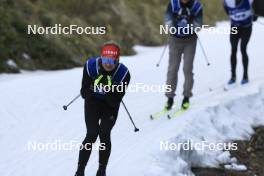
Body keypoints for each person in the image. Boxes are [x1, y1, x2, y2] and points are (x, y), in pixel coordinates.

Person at [74, 42, 130, 176]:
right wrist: (92, 87)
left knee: (104, 134)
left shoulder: (123, 74)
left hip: (109, 106)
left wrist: (108, 89)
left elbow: (114, 100)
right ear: (101, 57)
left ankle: (101, 170)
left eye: (112, 60)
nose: (108, 64)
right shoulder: (90, 67)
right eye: (105, 59)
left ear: (117, 60)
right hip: (93, 102)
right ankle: (80, 171)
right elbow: (83, 93)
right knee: (92, 134)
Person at [164, 0, 203, 110]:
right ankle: (169, 98)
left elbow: (198, 25)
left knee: (187, 69)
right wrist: (174, 25)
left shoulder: (197, 6)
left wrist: (191, 24)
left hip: (190, 41)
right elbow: (167, 21)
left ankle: (186, 97)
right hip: (175, 40)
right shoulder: (172, 4)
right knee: (172, 69)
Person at [224, 0, 258, 85]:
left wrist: (254, 15)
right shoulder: (227, 2)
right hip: (235, 28)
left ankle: (245, 76)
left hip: (246, 28)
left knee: (243, 49)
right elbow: (228, 11)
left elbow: (256, 9)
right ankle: (233, 76)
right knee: (233, 50)